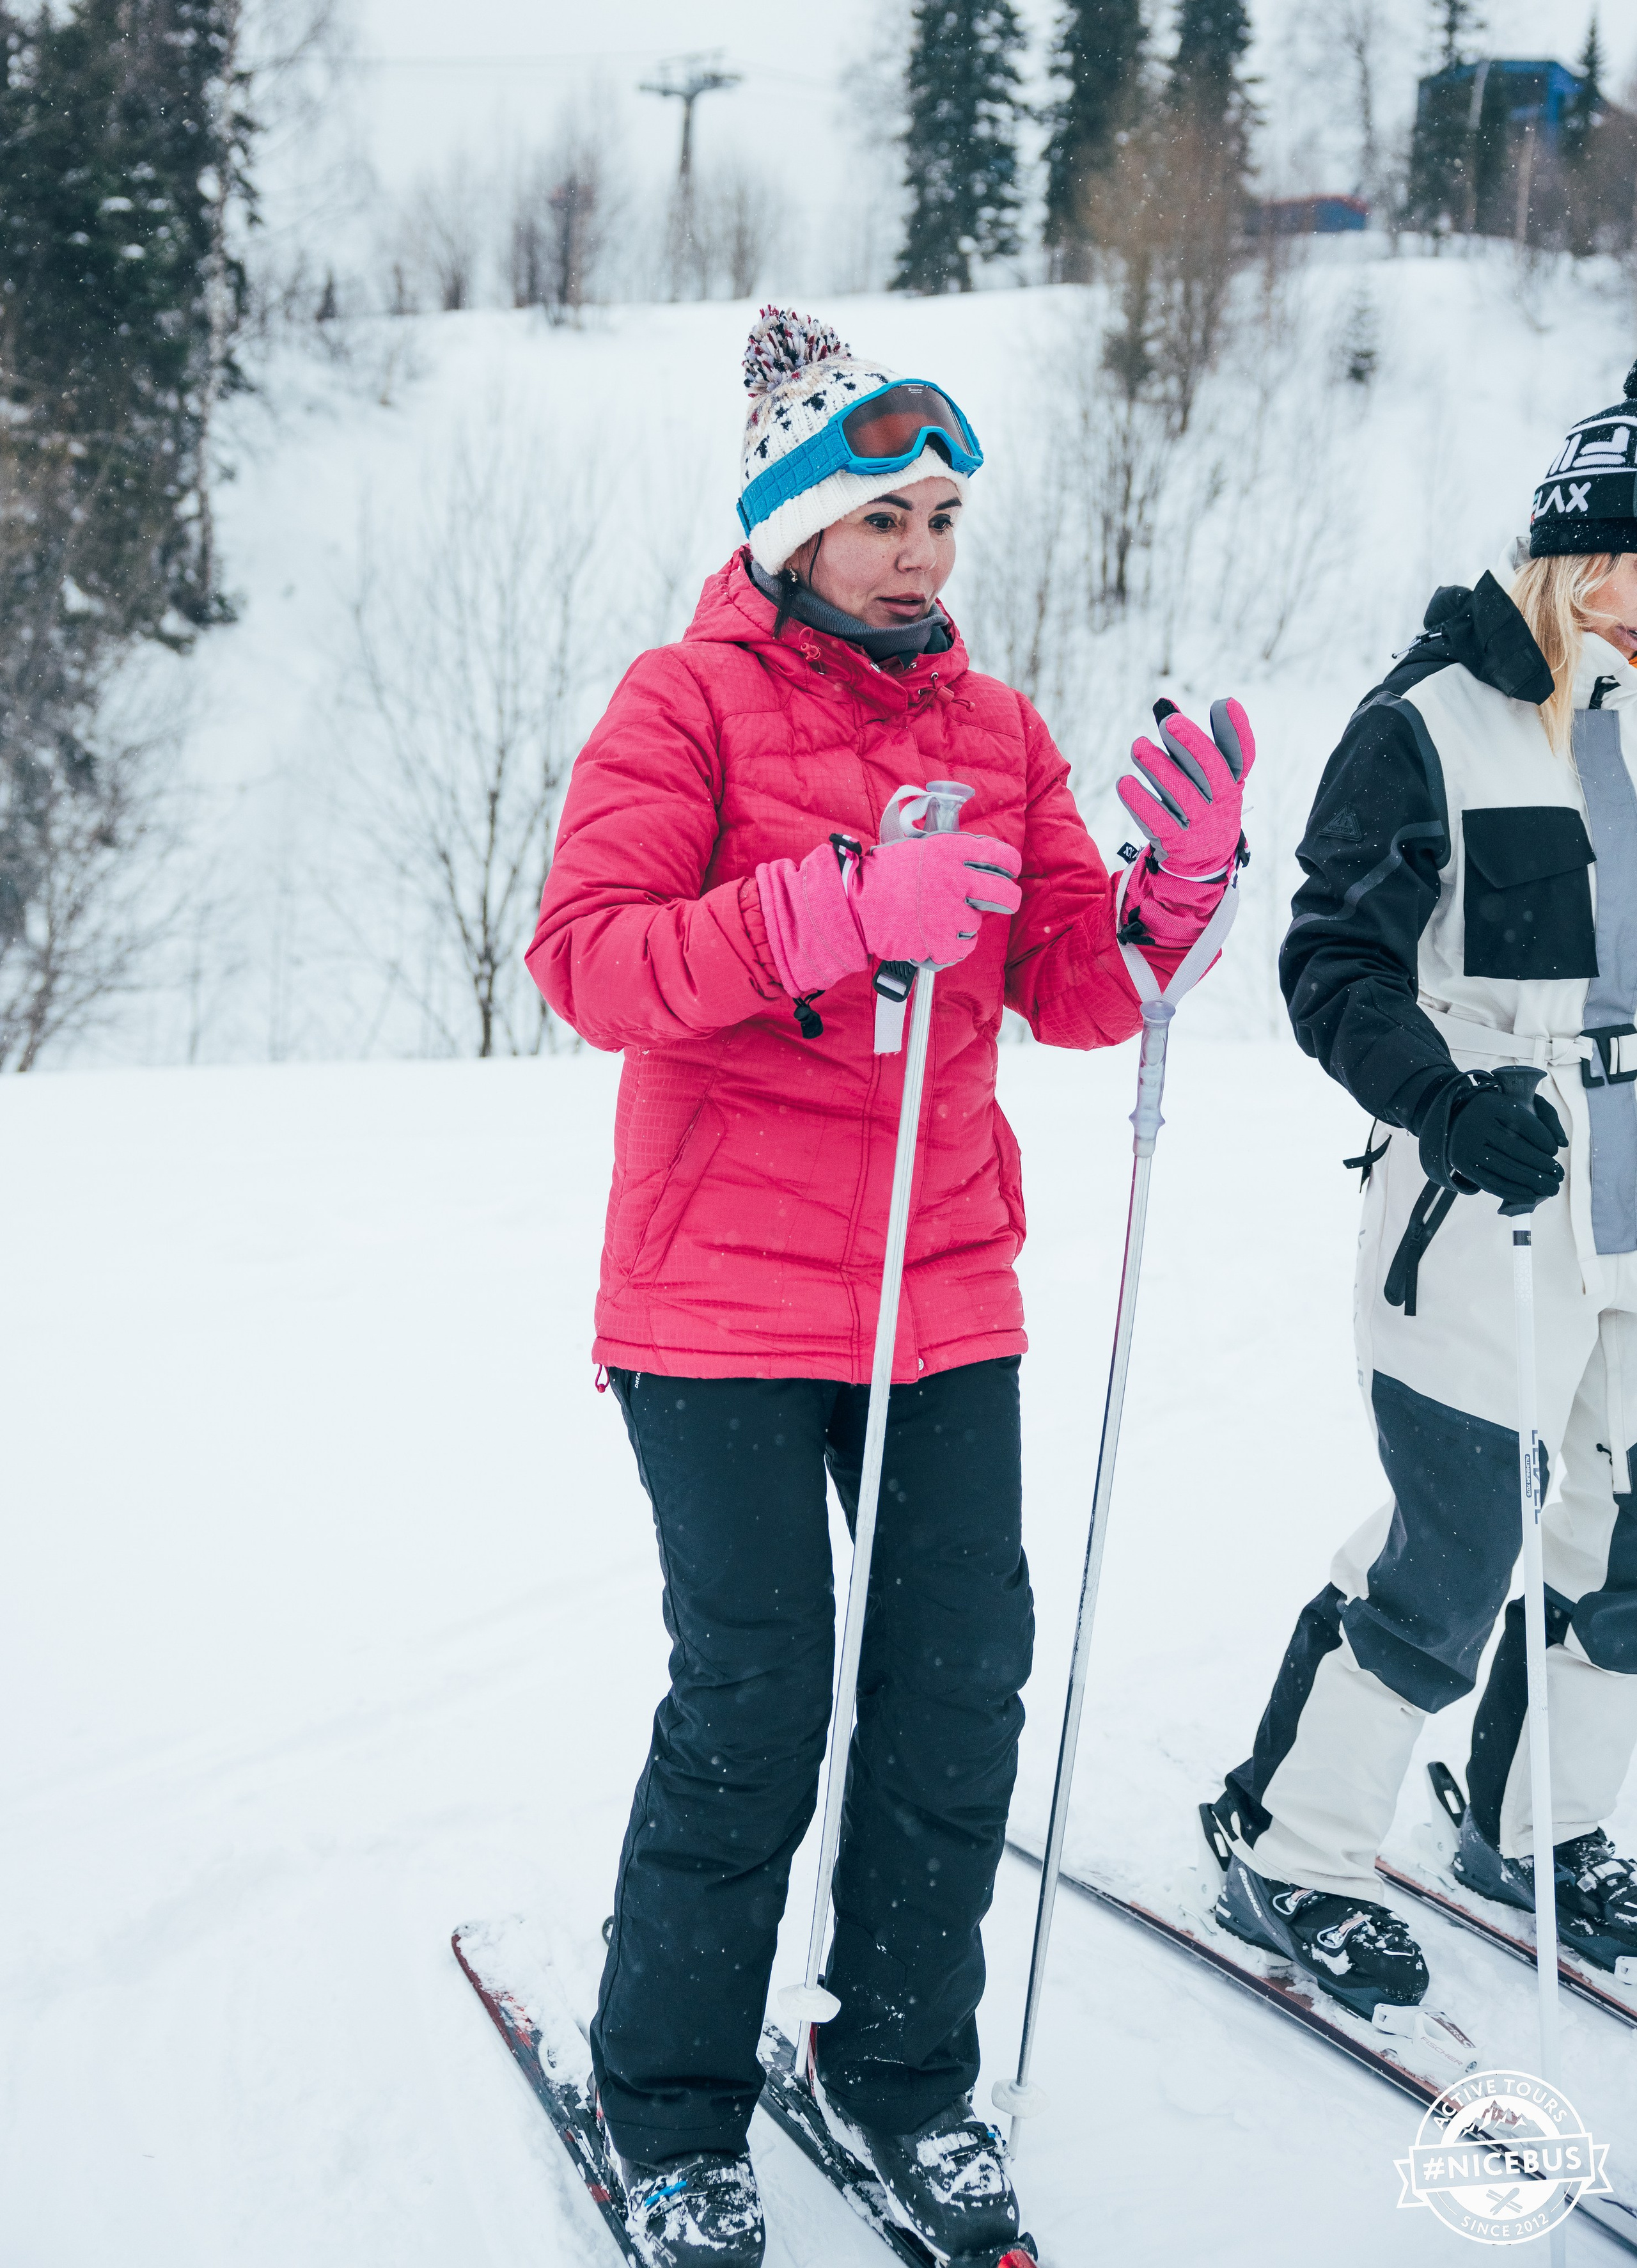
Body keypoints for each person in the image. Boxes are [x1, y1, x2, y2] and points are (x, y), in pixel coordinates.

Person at [529, 306, 1251, 2268]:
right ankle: (669, 2098)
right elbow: (588, 959)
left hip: (943, 1292)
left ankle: (905, 2068)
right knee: (759, 1694)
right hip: (718, 1304)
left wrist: (1167, 900)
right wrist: (830, 909)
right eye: (882, 518)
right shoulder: (679, 704)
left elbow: (1080, 989)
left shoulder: (995, 732)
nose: (923, 552)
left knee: (954, 1691)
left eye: (940, 515)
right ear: (791, 533)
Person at [1205, 366, 1637, 2018]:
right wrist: (1445, 1102)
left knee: (1626, 1549)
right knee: (1450, 1554)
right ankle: (1291, 1842)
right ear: (1590, 556)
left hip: (1633, 1215)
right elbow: (1329, 963)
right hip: (1486, 1211)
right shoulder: (1431, 719)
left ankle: (1541, 1832)